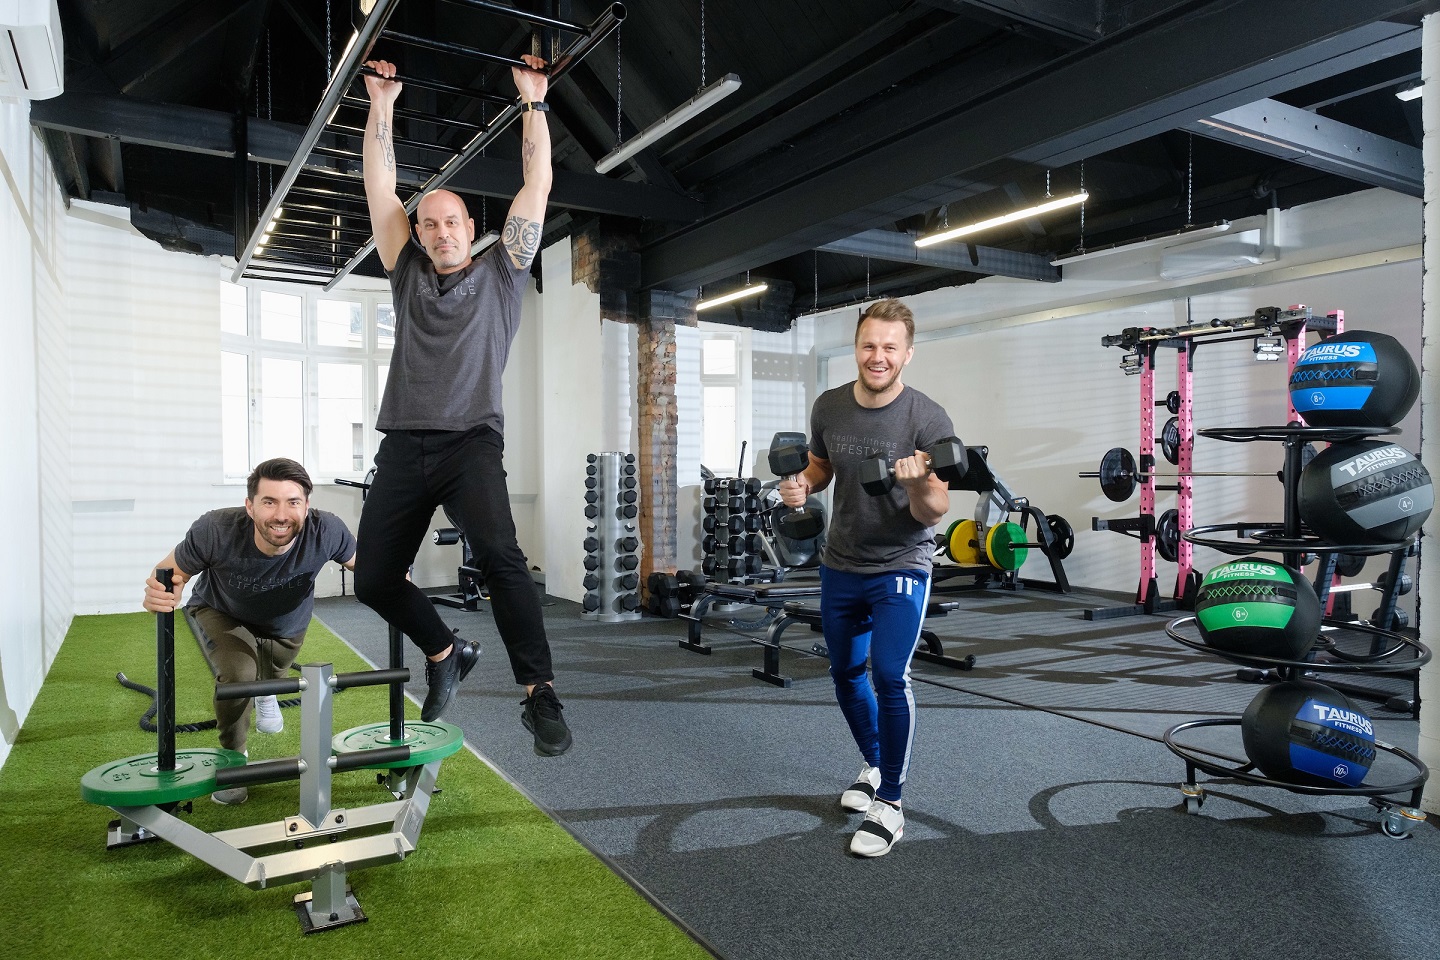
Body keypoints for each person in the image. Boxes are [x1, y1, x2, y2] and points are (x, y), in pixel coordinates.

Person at [353, 55, 572, 756]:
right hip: (403, 446)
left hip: (471, 443)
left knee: (503, 557)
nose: (441, 232)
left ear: (471, 226)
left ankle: (539, 693)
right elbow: (380, 185)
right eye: (429, 225)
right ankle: (447, 651)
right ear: (417, 236)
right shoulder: (406, 273)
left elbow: (536, 183)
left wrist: (532, 102)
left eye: (451, 223)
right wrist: (382, 103)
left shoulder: (506, 271)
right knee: (375, 578)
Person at [778, 299, 955, 857]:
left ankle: (893, 804)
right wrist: (801, 486)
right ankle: (876, 767)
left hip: (901, 563)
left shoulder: (926, 418)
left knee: (888, 674)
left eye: (889, 348)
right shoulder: (829, 406)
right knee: (845, 673)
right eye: (869, 345)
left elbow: (934, 511)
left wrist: (918, 480)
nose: (878, 357)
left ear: (907, 354)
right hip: (841, 562)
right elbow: (823, 466)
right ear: (857, 347)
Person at [142, 458, 357, 805]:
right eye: (269, 502)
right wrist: (161, 588)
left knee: (272, 675)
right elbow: (168, 572)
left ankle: (266, 692)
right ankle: (234, 760)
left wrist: (395, 583)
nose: (281, 514)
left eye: (293, 502)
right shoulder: (216, 529)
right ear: (250, 506)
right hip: (222, 610)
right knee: (240, 674)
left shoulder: (327, 530)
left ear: (307, 505)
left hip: (286, 622)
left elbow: (368, 566)